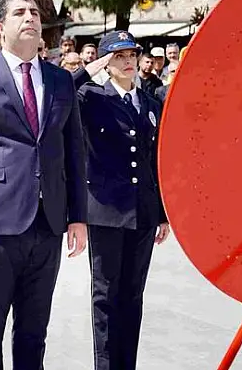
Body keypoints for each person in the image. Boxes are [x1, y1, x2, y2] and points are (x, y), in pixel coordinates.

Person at [0, 0, 88, 370]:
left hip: (48, 223)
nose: (30, 18)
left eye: (35, 13)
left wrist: (77, 215)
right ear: (0, 28)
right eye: (20, 13)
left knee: (33, 331)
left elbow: (73, 150)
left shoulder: (60, 81)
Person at [73, 31, 170, 370]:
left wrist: (162, 213)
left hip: (142, 212)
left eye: (132, 55)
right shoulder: (90, 97)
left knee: (132, 296)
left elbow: (156, 160)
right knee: (106, 296)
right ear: (105, 62)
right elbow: (59, 95)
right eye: (119, 57)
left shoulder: (150, 103)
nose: (128, 62)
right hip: (106, 212)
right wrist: (88, 70)